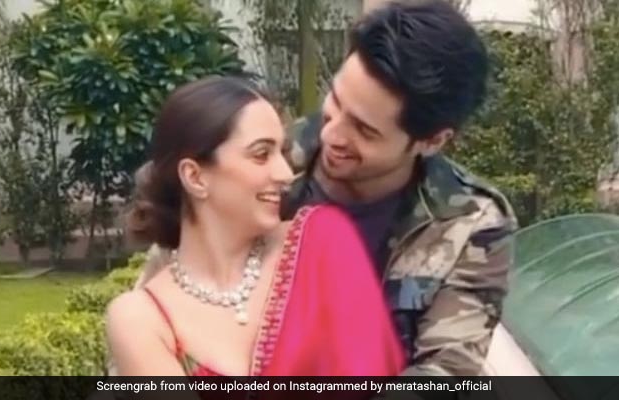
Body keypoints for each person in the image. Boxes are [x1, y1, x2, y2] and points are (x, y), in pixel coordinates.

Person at [137, 0, 518, 376]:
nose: (332, 134)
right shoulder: (260, 167)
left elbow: (448, 372)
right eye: (335, 100)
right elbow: (167, 295)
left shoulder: (470, 225)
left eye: (364, 130)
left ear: (431, 140)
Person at [106, 76, 405, 376]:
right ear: (195, 177)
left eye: (282, 152)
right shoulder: (141, 319)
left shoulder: (322, 244)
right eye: (261, 155)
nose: (285, 174)